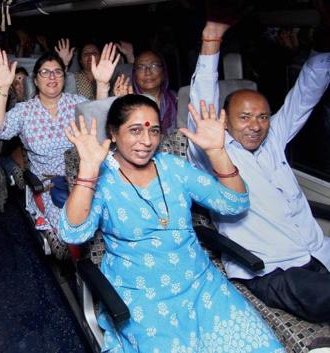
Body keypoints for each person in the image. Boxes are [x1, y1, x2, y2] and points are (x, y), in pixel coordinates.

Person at [59, 94, 285, 352]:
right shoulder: (102, 178)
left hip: (200, 284)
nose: (147, 141)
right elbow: (73, 233)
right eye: (135, 131)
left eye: (154, 131)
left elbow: (235, 204)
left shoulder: (174, 168)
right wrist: (88, 169)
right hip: (141, 294)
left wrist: (217, 152)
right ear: (113, 132)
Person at [187, 21, 330, 322]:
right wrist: (211, 39)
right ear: (224, 120)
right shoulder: (212, 151)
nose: (256, 125)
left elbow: (305, 94)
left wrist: (323, 40)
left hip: (317, 254)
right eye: (246, 117)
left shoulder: (273, 140)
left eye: (263, 116)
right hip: (272, 269)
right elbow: (202, 102)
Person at [0, 46, 117, 231]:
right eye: (45, 72)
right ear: (36, 81)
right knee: (75, 226)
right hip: (49, 188)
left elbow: (100, 131)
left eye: (57, 72)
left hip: (85, 178)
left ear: (64, 78)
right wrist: (2, 88)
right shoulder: (25, 111)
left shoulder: (76, 103)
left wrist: (102, 85)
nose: (52, 77)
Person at [132, 50, 177, 135]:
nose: (148, 72)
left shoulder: (177, 99)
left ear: (163, 72)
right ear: (134, 75)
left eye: (154, 65)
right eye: (141, 67)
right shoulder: (128, 103)